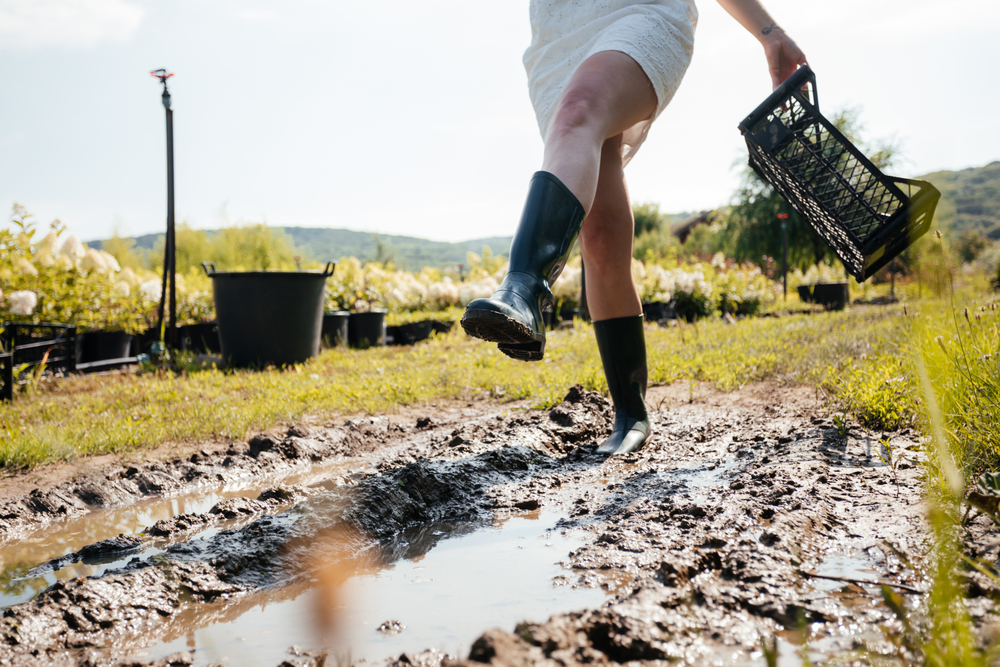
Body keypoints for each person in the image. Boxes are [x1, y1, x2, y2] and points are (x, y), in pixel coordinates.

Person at [461, 0, 807, 455]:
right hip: (558, 36)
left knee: (579, 108)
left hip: (640, 12)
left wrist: (768, 31)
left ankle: (524, 289)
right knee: (600, 234)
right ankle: (630, 412)